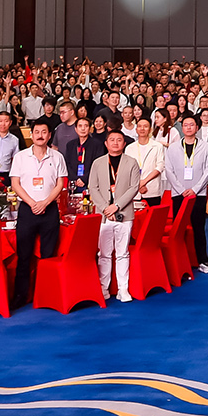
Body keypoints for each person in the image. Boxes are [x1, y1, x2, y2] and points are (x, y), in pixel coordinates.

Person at [10, 120, 66, 307]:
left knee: (48, 255)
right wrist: (32, 203)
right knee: (24, 256)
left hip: (49, 209)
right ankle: (20, 296)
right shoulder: (20, 157)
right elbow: (15, 184)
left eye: (44, 132)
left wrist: (45, 202)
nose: (40, 135)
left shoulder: (57, 157)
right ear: (31, 135)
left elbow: (60, 184)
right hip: (27, 209)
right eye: (36, 132)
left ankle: (47, 295)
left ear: (49, 135)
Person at [90, 129, 141, 302]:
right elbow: (93, 188)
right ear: (106, 143)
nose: (115, 143)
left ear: (124, 143)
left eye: (119, 140)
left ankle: (123, 289)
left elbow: (134, 187)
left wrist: (116, 206)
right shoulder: (97, 163)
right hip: (104, 215)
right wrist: (106, 208)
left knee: (122, 253)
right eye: (112, 140)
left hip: (124, 214)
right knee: (104, 254)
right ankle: (103, 288)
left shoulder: (131, 162)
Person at [163, 115, 208, 274]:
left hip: (198, 194)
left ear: (197, 128)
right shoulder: (173, 148)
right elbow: (169, 170)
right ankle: (179, 262)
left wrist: (195, 189)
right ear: (182, 128)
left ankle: (203, 261)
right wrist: (181, 190)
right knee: (179, 229)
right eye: (185, 125)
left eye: (191, 125)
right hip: (178, 194)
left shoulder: (205, 147)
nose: (188, 127)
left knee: (198, 228)